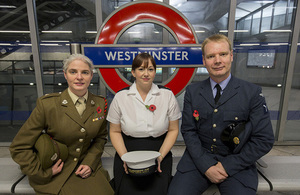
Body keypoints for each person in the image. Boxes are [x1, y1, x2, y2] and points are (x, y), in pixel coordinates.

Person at [168, 34, 274, 195]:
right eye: (211, 56)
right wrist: (206, 165)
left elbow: (264, 139)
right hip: (198, 160)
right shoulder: (193, 91)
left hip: (237, 162)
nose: (217, 61)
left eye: (222, 54)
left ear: (231, 56)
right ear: (204, 61)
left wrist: (227, 166)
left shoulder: (251, 93)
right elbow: (189, 131)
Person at [9, 54, 114, 195]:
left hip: (85, 168)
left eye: (85, 72)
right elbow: (19, 147)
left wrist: (90, 162)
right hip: (57, 171)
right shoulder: (48, 105)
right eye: (73, 72)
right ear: (65, 75)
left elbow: (100, 138)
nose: (79, 77)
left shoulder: (100, 104)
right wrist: (42, 172)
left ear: (91, 76)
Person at [107, 52, 182, 195]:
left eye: (150, 69)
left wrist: (160, 156)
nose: (146, 73)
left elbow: (173, 130)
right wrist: (125, 158)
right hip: (127, 150)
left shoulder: (167, 95)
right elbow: (114, 131)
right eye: (141, 69)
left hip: (159, 149)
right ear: (133, 72)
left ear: (155, 72)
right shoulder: (121, 96)